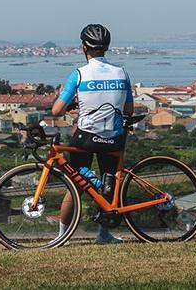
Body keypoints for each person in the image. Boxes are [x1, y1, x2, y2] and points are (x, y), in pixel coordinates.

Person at [53, 23, 134, 244]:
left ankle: (62, 236)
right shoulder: (122, 73)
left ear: (83, 48)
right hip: (113, 137)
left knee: (75, 183)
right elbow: (129, 110)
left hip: (86, 137)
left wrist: (76, 105)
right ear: (106, 48)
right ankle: (104, 235)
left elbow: (57, 110)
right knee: (109, 183)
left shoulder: (79, 74)